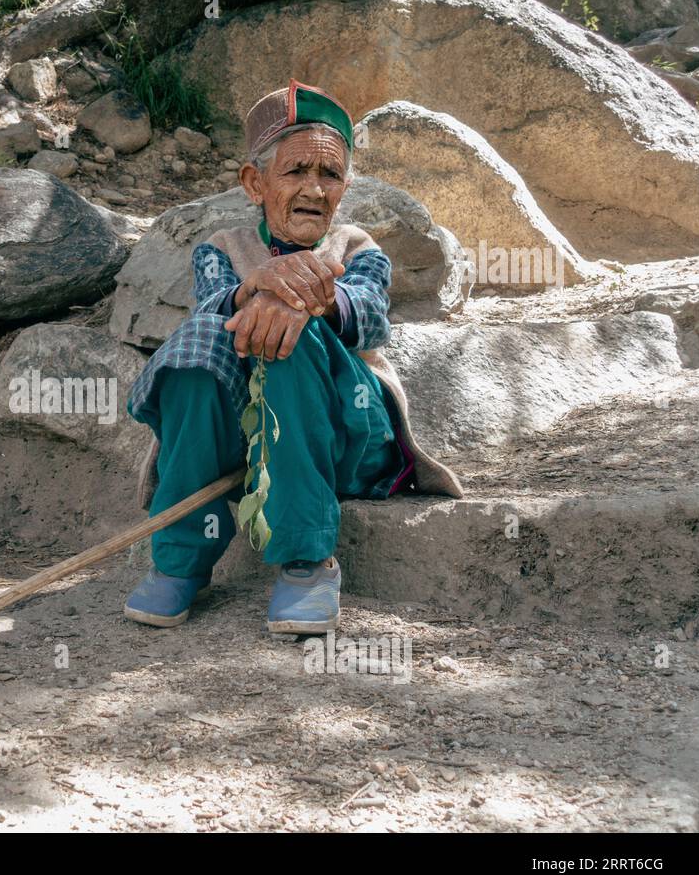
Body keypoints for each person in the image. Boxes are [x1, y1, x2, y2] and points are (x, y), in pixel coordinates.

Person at [124, 79, 462, 633]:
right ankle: (180, 560)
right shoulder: (223, 249)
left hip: (346, 436)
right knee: (197, 347)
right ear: (255, 183)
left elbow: (373, 318)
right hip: (245, 447)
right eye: (296, 171)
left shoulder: (355, 248)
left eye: (329, 174)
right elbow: (210, 306)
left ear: (344, 187)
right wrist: (254, 287)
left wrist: (310, 301)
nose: (315, 188)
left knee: (291, 329)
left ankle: (306, 561)